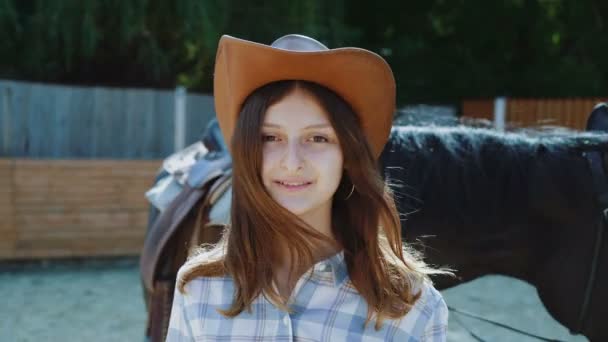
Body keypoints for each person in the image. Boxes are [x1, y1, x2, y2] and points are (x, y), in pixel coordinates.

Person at [166, 34, 452, 341]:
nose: (292, 162)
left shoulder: (413, 307)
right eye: (270, 138)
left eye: (318, 138)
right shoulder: (197, 288)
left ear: (347, 154)